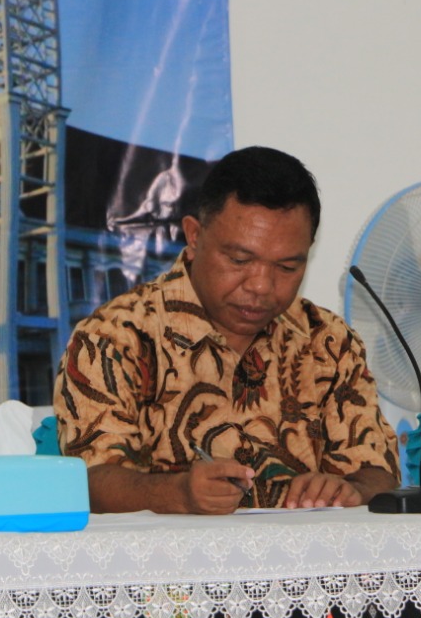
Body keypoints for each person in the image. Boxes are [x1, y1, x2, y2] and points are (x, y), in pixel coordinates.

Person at [54, 146, 400, 515]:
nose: (262, 286)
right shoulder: (114, 337)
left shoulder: (329, 342)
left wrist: (349, 491)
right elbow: (89, 481)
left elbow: (377, 471)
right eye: (239, 260)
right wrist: (177, 494)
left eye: (286, 267)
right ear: (194, 236)